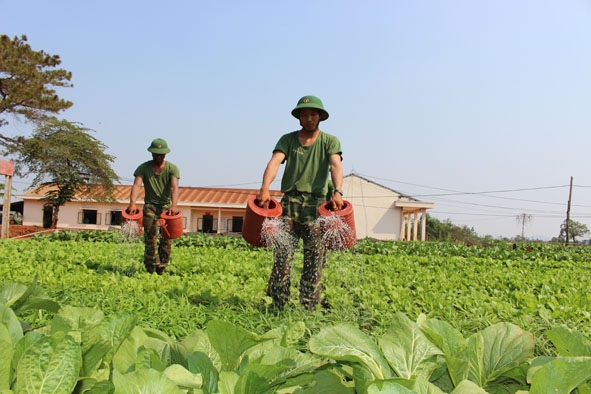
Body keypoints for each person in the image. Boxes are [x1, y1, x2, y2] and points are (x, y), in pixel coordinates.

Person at [256, 95, 344, 311]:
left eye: (313, 114)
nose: (309, 118)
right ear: (299, 118)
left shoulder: (329, 141)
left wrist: (338, 191)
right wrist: (265, 188)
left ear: (320, 116)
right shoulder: (288, 140)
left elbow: (335, 165)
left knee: (314, 261)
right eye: (304, 114)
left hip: (316, 207)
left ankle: (308, 308)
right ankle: (277, 305)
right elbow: (275, 162)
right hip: (289, 206)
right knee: (282, 258)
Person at [128, 138, 180, 275]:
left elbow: (175, 187)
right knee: (150, 237)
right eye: (156, 154)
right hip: (150, 206)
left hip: (166, 208)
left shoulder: (172, 169)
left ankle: (162, 267)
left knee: (166, 238)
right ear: (151, 153)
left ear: (165, 154)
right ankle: (150, 267)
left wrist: (174, 206)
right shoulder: (143, 168)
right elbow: (137, 185)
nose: (158, 156)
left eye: (161, 154)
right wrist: (132, 203)